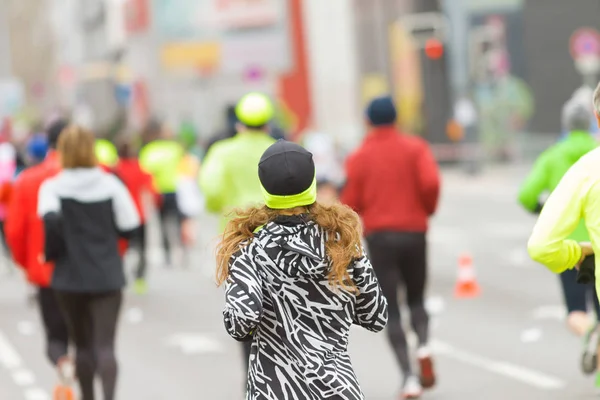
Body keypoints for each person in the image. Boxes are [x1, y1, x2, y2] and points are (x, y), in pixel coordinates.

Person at [216, 140, 388, 399]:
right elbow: (375, 316)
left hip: (274, 389)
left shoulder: (250, 250)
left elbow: (241, 323)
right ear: (312, 183)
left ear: (265, 187)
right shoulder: (340, 243)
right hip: (337, 389)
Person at [341, 96, 441, 399]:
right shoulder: (416, 148)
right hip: (414, 232)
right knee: (417, 299)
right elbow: (431, 183)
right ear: (396, 118)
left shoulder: (359, 156)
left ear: (368, 120)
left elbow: (351, 200)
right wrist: (426, 210)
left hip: (380, 237)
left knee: (391, 309)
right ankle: (423, 345)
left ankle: (409, 377)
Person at [37, 125, 140, 400]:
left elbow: (50, 225)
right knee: (106, 346)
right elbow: (130, 224)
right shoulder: (110, 184)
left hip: (69, 277)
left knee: (81, 346)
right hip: (107, 274)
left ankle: (87, 397)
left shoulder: (52, 187)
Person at [519, 98, 600, 373]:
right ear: (590, 124)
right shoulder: (594, 147)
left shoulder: (558, 156)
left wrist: (541, 208)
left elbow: (526, 194)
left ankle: (591, 332)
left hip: (574, 248)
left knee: (576, 312)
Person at [199, 92, 276, 378]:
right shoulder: (280, 149)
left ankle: (253, 377)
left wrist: (222, 207)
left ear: (238, 124)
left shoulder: (222, 152)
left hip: (238, 238)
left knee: (247, 308)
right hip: (279, 235)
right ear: (268, 123)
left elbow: (211, 192)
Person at [5, 119, 72, 390]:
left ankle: (64, 368)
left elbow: (15, 231)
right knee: (91, 340)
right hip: (90, 272)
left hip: (45, 271)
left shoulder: (29, 179)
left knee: (56, 339)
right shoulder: (100, 174)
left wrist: (26, 264)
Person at [113, 136, 161, 294]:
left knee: (120, 248)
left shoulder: (114, 169)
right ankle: (140, 278)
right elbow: (152, 189)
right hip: (138, 215)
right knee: (141, 249)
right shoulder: (138, 168)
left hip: (118, 216)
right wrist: (157, 202)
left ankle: (119, 276)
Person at [139, 120, 187, 268]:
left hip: (159, 191)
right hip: (175, 190)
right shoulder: (176, 148)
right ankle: (182, 251)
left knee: (162, 223)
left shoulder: (149, 150)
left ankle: (168, 254)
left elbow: (145, 172)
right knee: (178, 221)